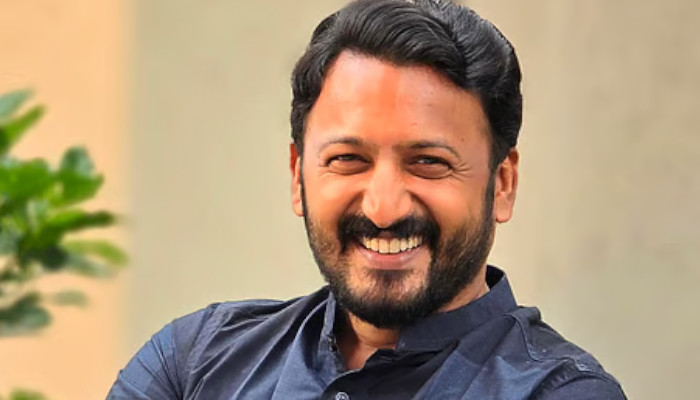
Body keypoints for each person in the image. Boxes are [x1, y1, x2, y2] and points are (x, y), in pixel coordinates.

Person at [107, 0, 626, 398]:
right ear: (297, 175)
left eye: (428, 162)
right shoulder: (196, 363)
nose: (383, 208)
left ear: (503, 184)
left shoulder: (558, 393)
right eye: (348, 159)